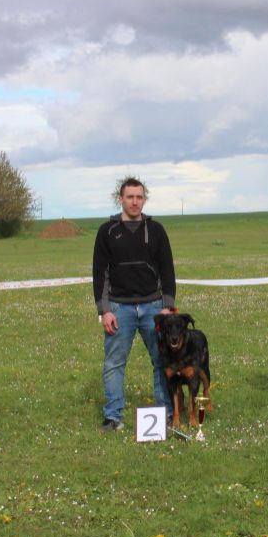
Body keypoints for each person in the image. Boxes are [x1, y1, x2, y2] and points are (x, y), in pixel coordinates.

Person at [93, 176, 176, 431]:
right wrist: (105, 311)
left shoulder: (157, 230)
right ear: (120, 199)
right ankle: (113, 416)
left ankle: (165, 415)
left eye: (139, 197)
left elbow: (167, 269)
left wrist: (168, 306)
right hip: (120, 308)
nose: (135, 202)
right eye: (130, 197)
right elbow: (100, 273)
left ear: (144, 199)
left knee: (161, 361)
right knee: (114, 364)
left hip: (154, 307)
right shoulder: (107, 232)